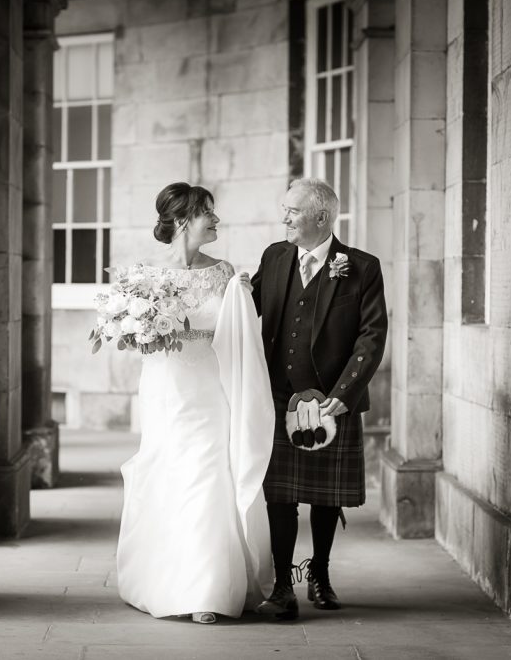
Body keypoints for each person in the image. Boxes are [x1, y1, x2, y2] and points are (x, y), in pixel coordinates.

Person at [116, 183, 274, 624]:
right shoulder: (145, 275)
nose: (217, 221)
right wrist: (136, 329)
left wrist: (241, 295)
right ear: (184, 220)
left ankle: (205, 590)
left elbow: (236, 330)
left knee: (206, 475)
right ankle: (165, 579)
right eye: (209, 213)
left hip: (209, 388)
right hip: (165, 389)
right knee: (167, 473)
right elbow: (131, 336)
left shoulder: (223, 273)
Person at [251, 178, 388, 620]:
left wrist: (344, 395)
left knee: (325, 498)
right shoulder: (274, 257)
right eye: (284, 210)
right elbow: (243, 307)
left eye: (292, 211)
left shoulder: (362, 267)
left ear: (322, 218)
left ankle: (321, 576)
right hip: (277, 396)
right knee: (279, 496)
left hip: (332, 400)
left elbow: (371, 336)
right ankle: (281, 586)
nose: (284, 218)